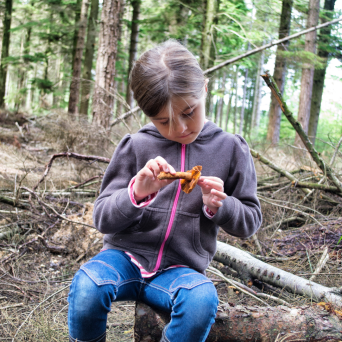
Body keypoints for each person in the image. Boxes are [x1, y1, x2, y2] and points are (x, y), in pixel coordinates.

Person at [67, 40, 262, 342]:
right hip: (123, 257)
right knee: (87, 288)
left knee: (201, 302)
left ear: (204, 89)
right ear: (148, 115)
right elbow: (102, 218)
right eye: (163, 121)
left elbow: (250, 221)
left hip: (182, 269)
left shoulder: (230, 150)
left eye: (189, 112)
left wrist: (220, 206)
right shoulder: (136, 146)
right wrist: (136, 194)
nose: (180, 128)